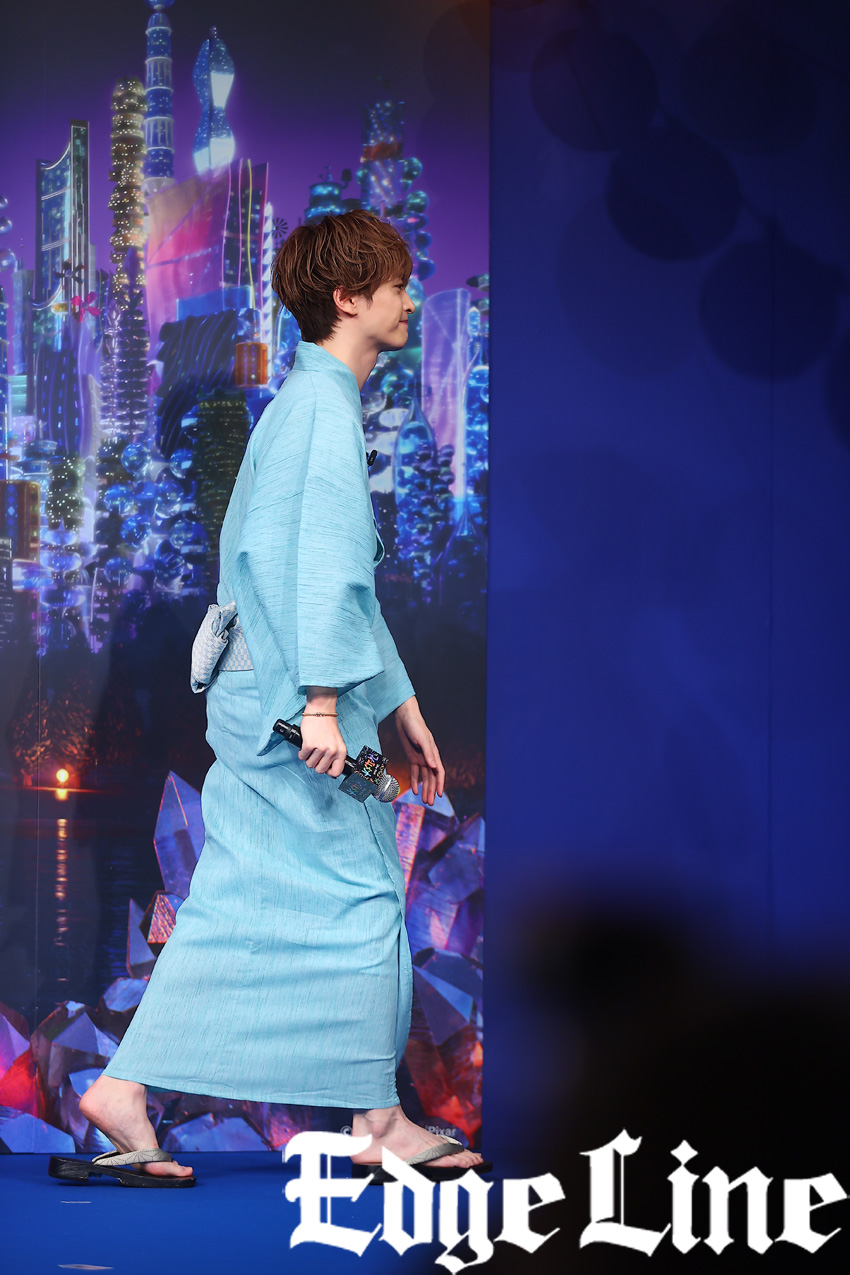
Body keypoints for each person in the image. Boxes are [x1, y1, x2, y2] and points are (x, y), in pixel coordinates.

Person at [52, 211, 485, 1186]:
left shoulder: (307, 404)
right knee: (364, 887)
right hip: (297, 705)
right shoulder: (320, 411)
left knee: (247, 895)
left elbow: (340, 584)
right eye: (396, 284)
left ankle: (125, 1088)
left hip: (274, 696)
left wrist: (401, 702)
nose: (410, 298)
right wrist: (328, 704)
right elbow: (322, 571)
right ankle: (376, 1119)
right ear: (348, 297)